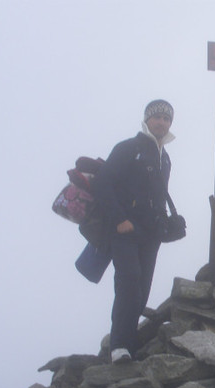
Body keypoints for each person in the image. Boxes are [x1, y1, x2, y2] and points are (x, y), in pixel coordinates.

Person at [92, 99, 176, 364]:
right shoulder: (129, 148)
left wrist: (164, 223)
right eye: (157, 117)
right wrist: (119, 220)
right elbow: (103, 183)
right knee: (128, 283)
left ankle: (130, 345)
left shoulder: (165, 158)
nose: (161, 122)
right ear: (146, 119)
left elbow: (159, 196)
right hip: (125, 230)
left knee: (142, 287)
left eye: (166, 118)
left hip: (151, 234)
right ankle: (118, 346)